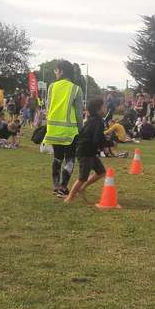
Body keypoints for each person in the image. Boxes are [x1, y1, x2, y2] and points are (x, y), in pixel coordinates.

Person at [43, 61, 84, 197]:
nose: (55, 73)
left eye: (56, 70)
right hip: (70, 131)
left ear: (61, 71)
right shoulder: (76, 89)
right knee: (70, 159)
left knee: (57, 157)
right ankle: (63, 187)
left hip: (53, 129)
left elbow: (48, 107)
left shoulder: (51, 87)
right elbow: (79, 114)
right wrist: (81, 130)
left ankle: (56, 186)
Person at [65, 97, 109, 203]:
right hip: (85, 152)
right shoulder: (97, 122)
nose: (106, 109)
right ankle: (69, 198)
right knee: (82, 177)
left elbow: (99, 137)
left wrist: (105, 144)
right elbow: (97, 139)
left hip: (90, 152)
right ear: (98, 110)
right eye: (104, 107)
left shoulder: (94, 120)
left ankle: (82, 188)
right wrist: (108, 144)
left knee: (101, 172)